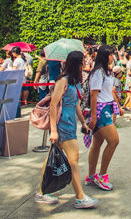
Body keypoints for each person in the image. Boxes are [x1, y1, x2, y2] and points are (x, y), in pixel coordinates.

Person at [34, 51, 98, 208]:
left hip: (70, 122)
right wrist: (54, 130)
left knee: (53, 157)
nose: (85, 64)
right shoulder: (62, 80)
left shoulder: (74, 81)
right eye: (83, 62)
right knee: (73, 158)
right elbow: (54, 104)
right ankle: (80, 196)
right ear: (76, 63)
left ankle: (41, 193)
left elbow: (75, 103)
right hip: (62, 123)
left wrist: (82, 122)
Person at [86, 45, 120, 191]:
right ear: (105, 55)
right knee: (113, 141)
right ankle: (102, 175)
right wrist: (93, 117)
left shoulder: (106, 72)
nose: (113, 57)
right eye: (111, 54)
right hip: (101, 110)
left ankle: (91, 175)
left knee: (98, 143)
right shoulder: (98, 73)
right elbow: (94, 95)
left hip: (105, 107)